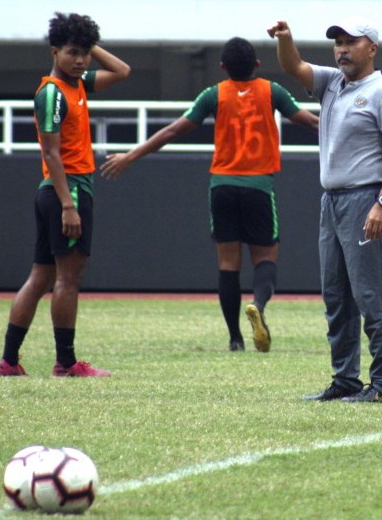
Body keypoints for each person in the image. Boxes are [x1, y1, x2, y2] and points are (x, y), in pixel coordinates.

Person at [101, 37, 318, 352]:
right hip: (258, 185)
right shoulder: (272, 91)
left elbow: (172, 130)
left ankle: (235, 339)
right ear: (257, 65)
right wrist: (355, 136)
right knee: (266, 258)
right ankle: (257, 304)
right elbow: (310, 121)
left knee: (228, 263)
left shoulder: (214, 94)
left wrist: (130, 156)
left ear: (222, 68)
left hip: (222, 186)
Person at [267, 18, 382, 403]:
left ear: (372, 48)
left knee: (371, 294)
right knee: (336, 296)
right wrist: (286, 39)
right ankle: (345, 379)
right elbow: (293, 66)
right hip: (331, 201)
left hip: (366, 198)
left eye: (351, 42)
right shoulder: (332, 82)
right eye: (338, 43)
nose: (342, 49)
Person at [0, 12, 131, 377]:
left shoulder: (79, 84)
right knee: (67, 279)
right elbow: (51, 153)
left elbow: (122, 71)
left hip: (57, 192)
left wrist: (89, 43)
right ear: (54, 52)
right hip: (66, 190)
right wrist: (69, 205)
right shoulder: (53, 92)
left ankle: (9, 361)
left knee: (39, 277)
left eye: (84, 52)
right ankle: (66, 363)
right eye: (72, 52)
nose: (81, 60)